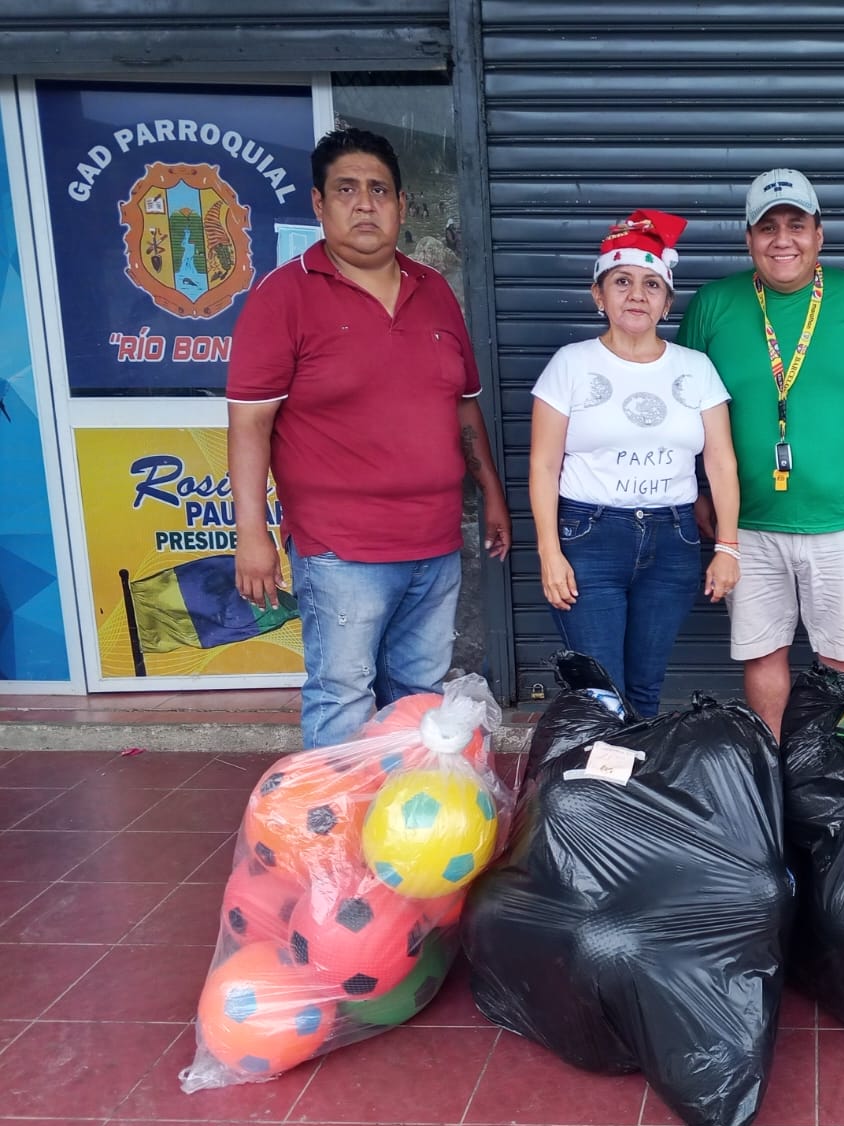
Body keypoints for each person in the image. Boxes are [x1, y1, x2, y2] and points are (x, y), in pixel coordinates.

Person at [227, 126, 511, 750]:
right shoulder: (284, 297)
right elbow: (250, 423)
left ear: (402, 205)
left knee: (420, 696)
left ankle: (404, 810)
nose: (364, 204)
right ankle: (337, 813)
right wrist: (252, 534)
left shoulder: (434, 292)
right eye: (346, 189)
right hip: (340, 549)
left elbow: (463, 406)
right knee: (343, 693)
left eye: (379, 190)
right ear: (318, 203)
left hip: (434, 543)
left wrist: (490, 490)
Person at [678, 169, 844, 737]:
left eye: (796, 225)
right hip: (747, 524)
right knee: (762, 653)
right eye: (767, 227)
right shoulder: (714, 304)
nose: (782, 240)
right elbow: (682, 405)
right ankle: (773, 764)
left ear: (819, 234)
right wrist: (697, 492)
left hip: (842, 520)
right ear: (748, 238)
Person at [529, 210, 740, 717]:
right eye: (621, 281)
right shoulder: (571, 364)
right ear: (598, 295)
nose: (636, 295)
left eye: (651, 284)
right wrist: (549, 551)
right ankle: (599, 770)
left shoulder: (695, 368)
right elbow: (543, 466)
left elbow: (720, 462)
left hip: (673, 541)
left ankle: (634, 771)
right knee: (601, 695)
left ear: (667, 301)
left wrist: (728, 546)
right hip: (590, 537)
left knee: (645, 690)